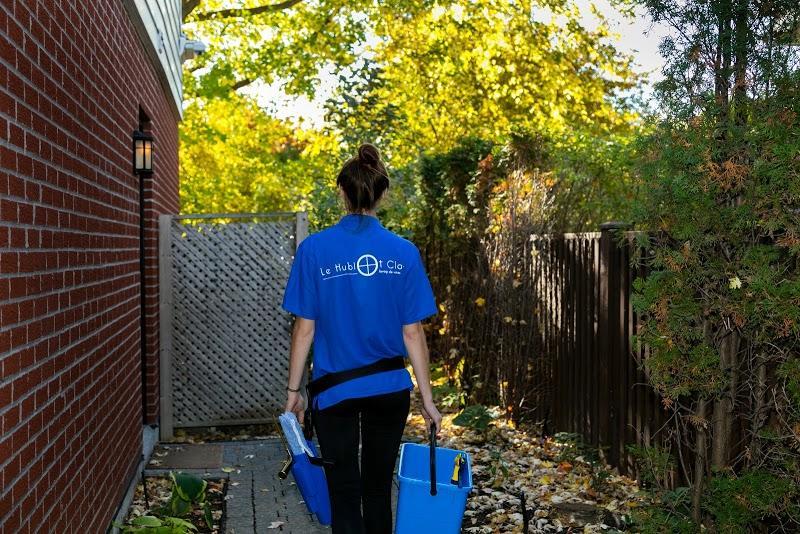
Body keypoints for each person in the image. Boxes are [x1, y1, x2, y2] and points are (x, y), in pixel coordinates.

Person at [281, 142, 443, 534]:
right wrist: (427, 399)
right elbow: (412, 332)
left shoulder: (314, 250)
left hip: (333, 392)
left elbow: (305, 329)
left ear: (342, 191)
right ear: (381, 194)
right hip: (389, 389)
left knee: (343, 492)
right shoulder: (404, 252)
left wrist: (294, 391)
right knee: (377, 489)